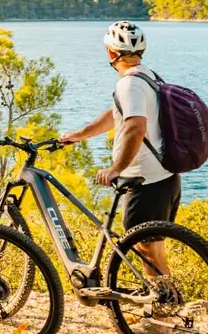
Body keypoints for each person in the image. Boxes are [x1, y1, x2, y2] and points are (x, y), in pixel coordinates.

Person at [59, 21, 180, 280]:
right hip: (166, 177)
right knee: (153, 248)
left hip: (146, 181)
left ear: (111, 53)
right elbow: (117, 114)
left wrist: (116, 169)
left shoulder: (130, 84)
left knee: (145, 249)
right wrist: (80, 135)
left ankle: (160, 314)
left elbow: (136, 126)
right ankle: (169, 304)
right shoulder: (148, 76)